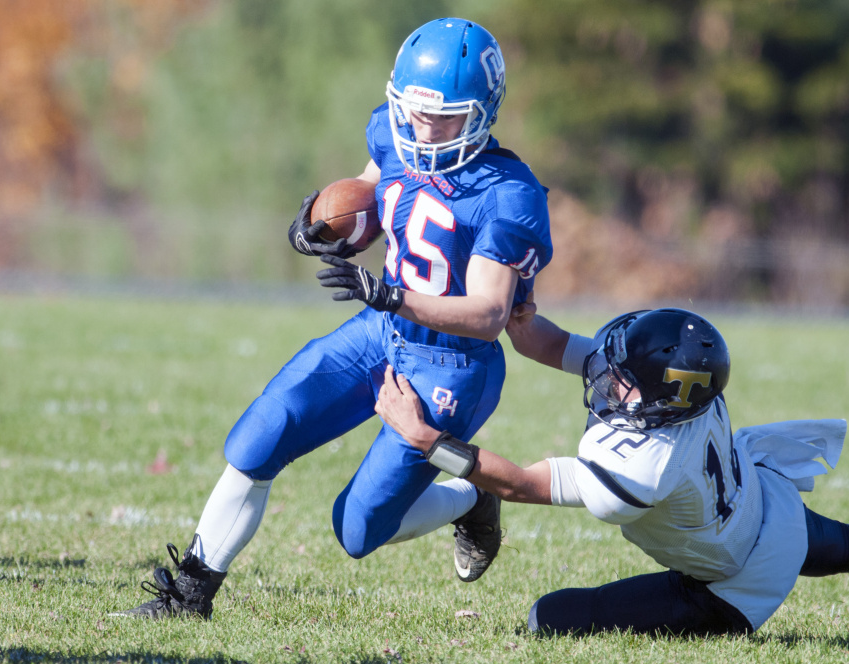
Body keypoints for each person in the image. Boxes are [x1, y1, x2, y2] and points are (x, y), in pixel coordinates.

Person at [114, 17, 552, 620]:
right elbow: (379, 199)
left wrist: (392, 296)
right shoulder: (393, 134)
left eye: (445, 116)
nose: (424, 129)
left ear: (483, 111)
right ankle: (190, 595)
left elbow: (486, 313)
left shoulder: (507, 194)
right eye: (416, 112)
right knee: (259, 436)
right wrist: (331, 230)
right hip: (382, 331)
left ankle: (469, 498)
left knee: (356, 529)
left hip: (451, 364)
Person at [374, 305, 849, 636]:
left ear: (661, 398)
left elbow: (516, 484)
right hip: (769, 507)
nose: (610, 377)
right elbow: (554, 344)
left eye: (624, 379)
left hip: (733, 584)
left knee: (547, 619)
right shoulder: (685, 394)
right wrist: (509, 306)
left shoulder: (641, 470)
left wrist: (427, 439)